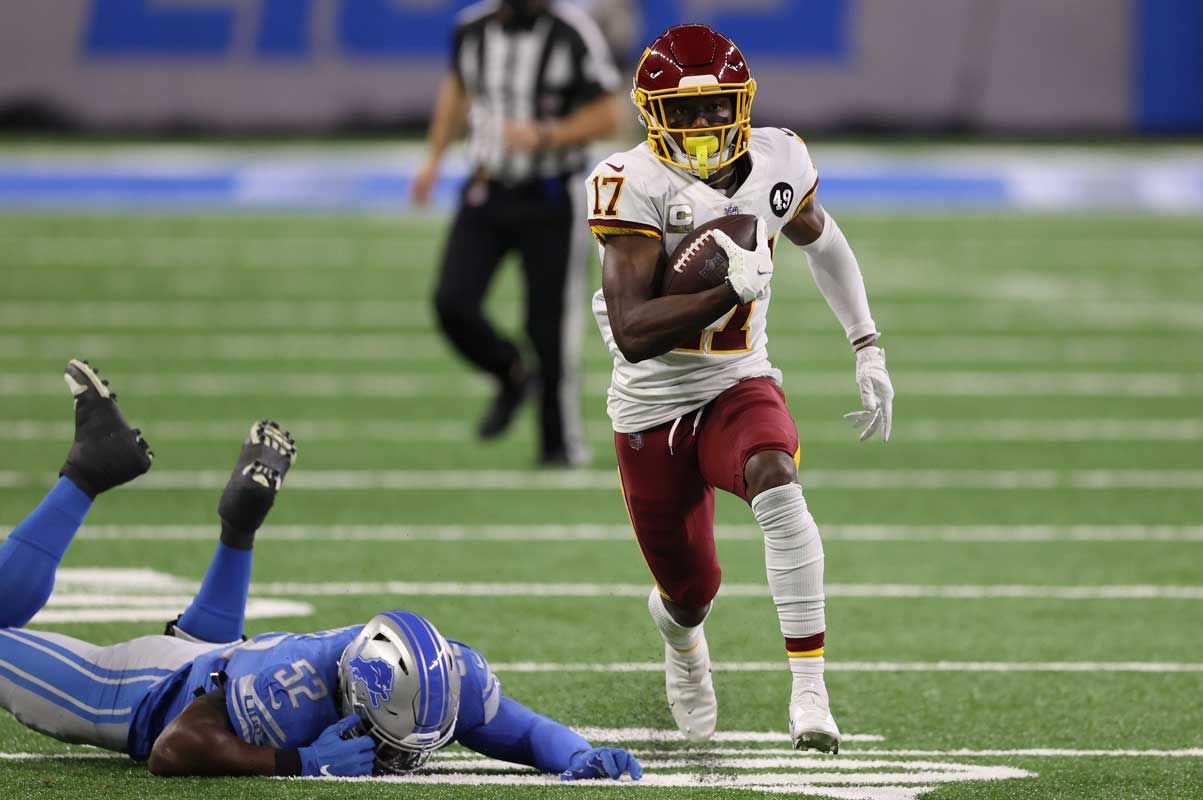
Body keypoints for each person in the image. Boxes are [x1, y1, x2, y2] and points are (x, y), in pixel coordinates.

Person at [0, 360, 643, 781]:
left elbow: (525, 731)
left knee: (206, 651)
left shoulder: (439, 675)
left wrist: (580, 755)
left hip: (213, 657)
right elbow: (175, 745)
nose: (405, 760)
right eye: (396, 744)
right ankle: (89, 472)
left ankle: (236, 529)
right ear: (358, 696)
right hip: (137, 694)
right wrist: (293, 760)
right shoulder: (289, 691)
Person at [585, 24, 896, 753]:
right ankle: (683, 641)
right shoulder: (631, 182)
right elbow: (632, 330)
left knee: (777, 477)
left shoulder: (779, 160)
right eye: (685, 112)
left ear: (743, 103)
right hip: (652, 402)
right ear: (651, 114)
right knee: (690, 592)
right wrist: (725, 289)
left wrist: (867, 343)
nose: (701, 125)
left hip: (738, 381)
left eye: (715, 107)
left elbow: (821, 238)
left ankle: (811, 694)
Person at [411, 0, 622, 467]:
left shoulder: (572, 32)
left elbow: (609, 113)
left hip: (551, 194)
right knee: (452, 302)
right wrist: (433, 159)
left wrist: (549, 135)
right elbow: (457, 90)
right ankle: (510, 371)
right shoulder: (472, 29)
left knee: (550, 328)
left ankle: (558, 445)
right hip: (487, 185)